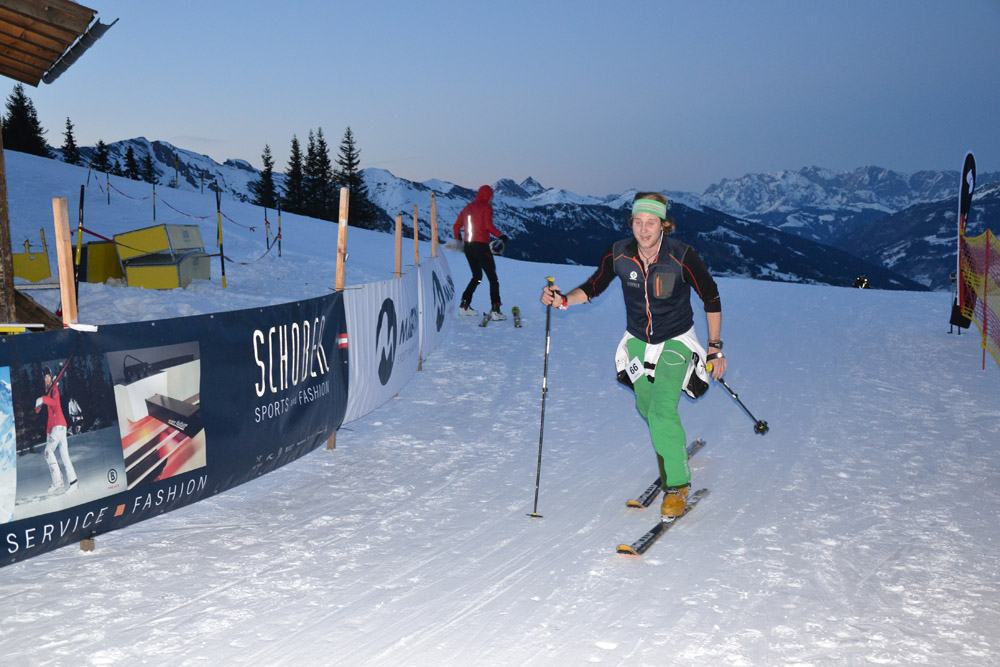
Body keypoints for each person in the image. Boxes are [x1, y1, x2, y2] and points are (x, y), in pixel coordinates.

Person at [540, 192, 726, 518]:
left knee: (661, 410)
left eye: (651, 223)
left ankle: (678, 485)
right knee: (646, 405)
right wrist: (563, 300)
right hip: (638, 343)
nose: (643, 229)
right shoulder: (619, 255)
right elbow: (594, 285)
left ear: (663, 225)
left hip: (676, 341)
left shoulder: (682, 256)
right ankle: (671, 443)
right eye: (638, 222)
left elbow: (710, 296)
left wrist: (714, 347)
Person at [453, 185, 508, 320]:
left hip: (468, 246)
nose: (492, 199)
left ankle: (464, 306)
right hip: (481, 246)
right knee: (492, 278)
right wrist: (501, 236)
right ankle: (495, 309)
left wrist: (459, 241)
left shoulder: (467, 208)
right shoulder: (486, 207)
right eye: (491, 197)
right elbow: (488, 226)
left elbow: (456, 226)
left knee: (477, 276)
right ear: (487, 196)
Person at [35, 365, 79, 495]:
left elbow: (54, 403)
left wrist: (43, 399)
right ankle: (74, 482)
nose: (47, 380)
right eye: (45, 378)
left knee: (48, 452)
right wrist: (48, 434)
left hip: (59, 426)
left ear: (51, 377)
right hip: (58, 427)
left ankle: (58, 480)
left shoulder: (54, 389)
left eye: (48, 377)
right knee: (65, 456)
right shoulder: (48, 390)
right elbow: (50, 417)